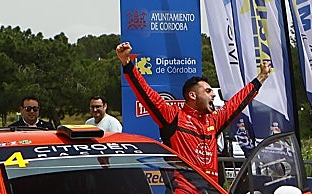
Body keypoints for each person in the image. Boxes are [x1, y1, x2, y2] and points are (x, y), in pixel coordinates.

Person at [115, 41, 271, 186]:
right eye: (208, 91)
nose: (213, 95)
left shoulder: (213, 121)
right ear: (192, 95)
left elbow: (236, 103)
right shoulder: (173, 117)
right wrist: (127, 63)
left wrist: (260, 78)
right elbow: (146, 93)